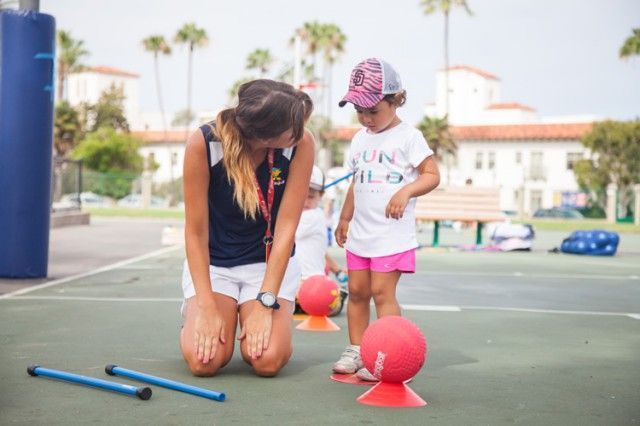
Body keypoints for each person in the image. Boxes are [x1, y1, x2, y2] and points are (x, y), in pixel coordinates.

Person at [180, 79, 315, 377]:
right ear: (265, 135)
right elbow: (195, 232)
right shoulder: (203, 143)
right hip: (215, 265)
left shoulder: (301, 144)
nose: (300, 130)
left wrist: (266, 302)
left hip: (267, 265)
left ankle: (258, 312)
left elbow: (286, 227)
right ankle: (198, 313)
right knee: (205, 361)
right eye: (292, 126)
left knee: (266, 360)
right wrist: (204, 305)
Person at [331, 58, 440, 381]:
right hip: (361, 234)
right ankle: (358, 349)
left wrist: (406, 192)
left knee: (382, 292)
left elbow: (432, 175)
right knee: (358, 291)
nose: (365, 118)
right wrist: (345, 217)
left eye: (372, 110)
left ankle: (387, 355)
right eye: (359, 110)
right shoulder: (359, 139)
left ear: (396, 100)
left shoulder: (409, 136)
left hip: (391, 235)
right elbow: (357, 181)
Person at [294, 165, 348, 316]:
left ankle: (329, 299)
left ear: (321, 195)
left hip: (309, 281)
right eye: (300, 194)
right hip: (298, 279)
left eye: (310, 197)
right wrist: (336, 270)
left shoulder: (312, 216)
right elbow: (321, 251)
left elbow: (283, 232)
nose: (305, 202)